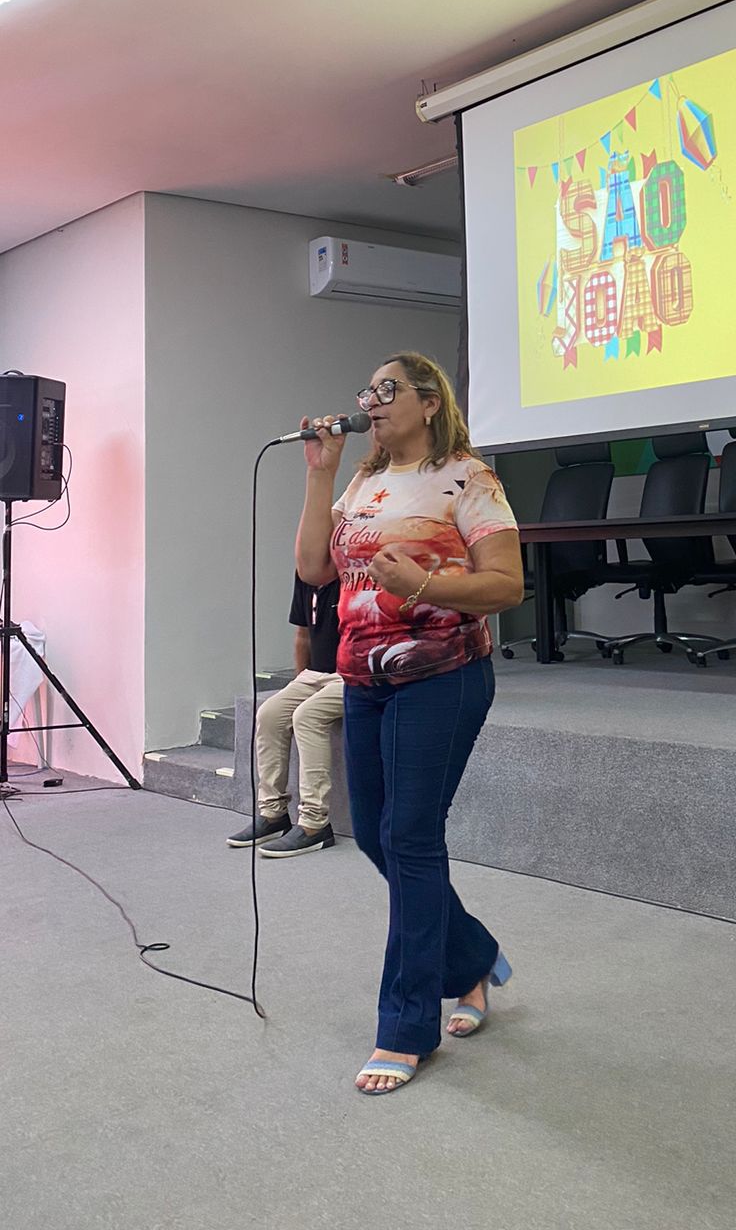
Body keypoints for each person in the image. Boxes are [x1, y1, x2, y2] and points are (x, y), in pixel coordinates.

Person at [296, 351, 525, 1094]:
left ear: (429, 402)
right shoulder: (364, 480)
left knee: (411, 838)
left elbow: (507, 586)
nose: (372, 401)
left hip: (443, 677)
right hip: (365, 680)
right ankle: (474, 958)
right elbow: (314, 569)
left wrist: (423, 584)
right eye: (367, 390)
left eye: (387, 389)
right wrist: (322, 473)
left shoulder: (468, 478)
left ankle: (405, 1027)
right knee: (375, 835)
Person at [226, 574, 343, 856]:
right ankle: (273, 814)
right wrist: (300, 680)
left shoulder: (356, 572)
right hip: (315, 674)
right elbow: (302, 635)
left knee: (307, 716)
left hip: (354, 675)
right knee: (269, 714)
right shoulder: (307, 574)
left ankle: (315, 824)